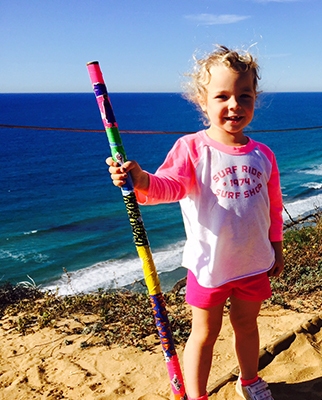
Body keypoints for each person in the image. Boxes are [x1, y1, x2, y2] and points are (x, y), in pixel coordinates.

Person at [106, 45, 283, 400]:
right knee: (204, 333)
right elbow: (168, 187)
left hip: (253, 262)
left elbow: (273, 208)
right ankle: (197, 395)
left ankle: (249, 380)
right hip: (209, 267)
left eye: (244, 95)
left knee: (247, 326)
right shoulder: (192, 148)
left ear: (254, 99)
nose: (234, 104)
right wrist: (141, 181)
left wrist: (276, 246)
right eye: (222, 96)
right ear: (202, 101)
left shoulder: (263, 154)